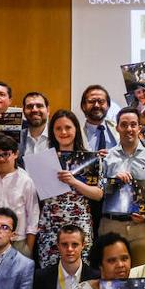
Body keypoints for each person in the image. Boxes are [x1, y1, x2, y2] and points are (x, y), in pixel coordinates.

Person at [99, 107, 145, 265]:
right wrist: (112, 181)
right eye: (124, 125)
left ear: (140, 127)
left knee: (141, 276)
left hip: (140, 227)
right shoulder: (105, 158)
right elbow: (97, 191)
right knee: (110, 278)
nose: (129, 129)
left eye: (133, 124)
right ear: (117, 127)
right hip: (111, 224)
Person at [38, 110, 100, 268]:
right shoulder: (44, 159)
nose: (63, 132)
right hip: (51, 224)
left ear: (76, 130)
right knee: (50, 273)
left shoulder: (89, 158)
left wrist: (74, 182)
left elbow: (98, 194)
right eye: (58, 128)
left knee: (80, 272)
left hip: (79, 224)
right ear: (52, 132)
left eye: (68, 127)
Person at [80, 84, 118, 152]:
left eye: (101, 101)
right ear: (83, 106)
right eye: (91, 101)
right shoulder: (76, 134)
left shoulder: (120, 130)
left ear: (108, 106)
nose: (96, 105)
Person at [18, 91, 52, 158]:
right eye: (29, 106)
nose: (34, 110)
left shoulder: (59, 136)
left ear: (48, 110)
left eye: (39, 106)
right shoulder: (16, 139)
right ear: (23, 111)